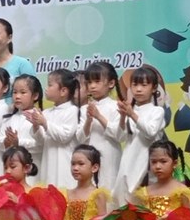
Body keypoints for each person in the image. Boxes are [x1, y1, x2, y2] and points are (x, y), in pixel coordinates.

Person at [122, 140, 190, 220]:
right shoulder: (145, 191)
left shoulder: (182, 191)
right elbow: (139, 217)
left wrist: (173, 217)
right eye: (153, 162)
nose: (158, 166)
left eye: (163, 161)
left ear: (174, 163)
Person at [111, 66, 168, 206]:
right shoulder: (129, 110)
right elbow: (121, 137)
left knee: (142, 200)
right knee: (122, 196)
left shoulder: (157, 111)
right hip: (128, 159)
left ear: (154, 88)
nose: (138, 89)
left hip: (146, 160)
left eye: (144, 85)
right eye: (135, 85)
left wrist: (132, 114)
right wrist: (123, 117)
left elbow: (150, 132)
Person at [56, 145, 114, 220]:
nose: (75, 168)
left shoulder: (98, 194)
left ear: (94, 167)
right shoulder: (66, 193)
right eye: (73, 164)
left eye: (80, 164)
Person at [32, 68, 82, 189]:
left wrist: (45, 123)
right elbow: (41, 141)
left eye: (50, 85)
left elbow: (64, 136)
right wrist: (36, 126)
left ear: (63, 91)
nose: (46, 89)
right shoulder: (47, 112)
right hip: (48, 162)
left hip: (64, 162)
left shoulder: (72, 110)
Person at [80, 61, 123, 196]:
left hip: (110, 155)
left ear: (111, 83)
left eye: (97, 81)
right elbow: (80, 138)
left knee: (109, 191)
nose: (92, 86)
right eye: (89, 82)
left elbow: (120, 135)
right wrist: (88, 120)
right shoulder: (84, 109)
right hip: (88, 158)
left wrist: (98, 116)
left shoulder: (116, 107)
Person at [0, 74, 43, 176]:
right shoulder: (8, 118)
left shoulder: (40, 118)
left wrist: (18, 143)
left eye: (23, 92)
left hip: (33, 169)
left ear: (35, 96)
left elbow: (41, 144)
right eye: (15, 92)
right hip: (10, 170)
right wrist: (6, 141)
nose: (17, 96)